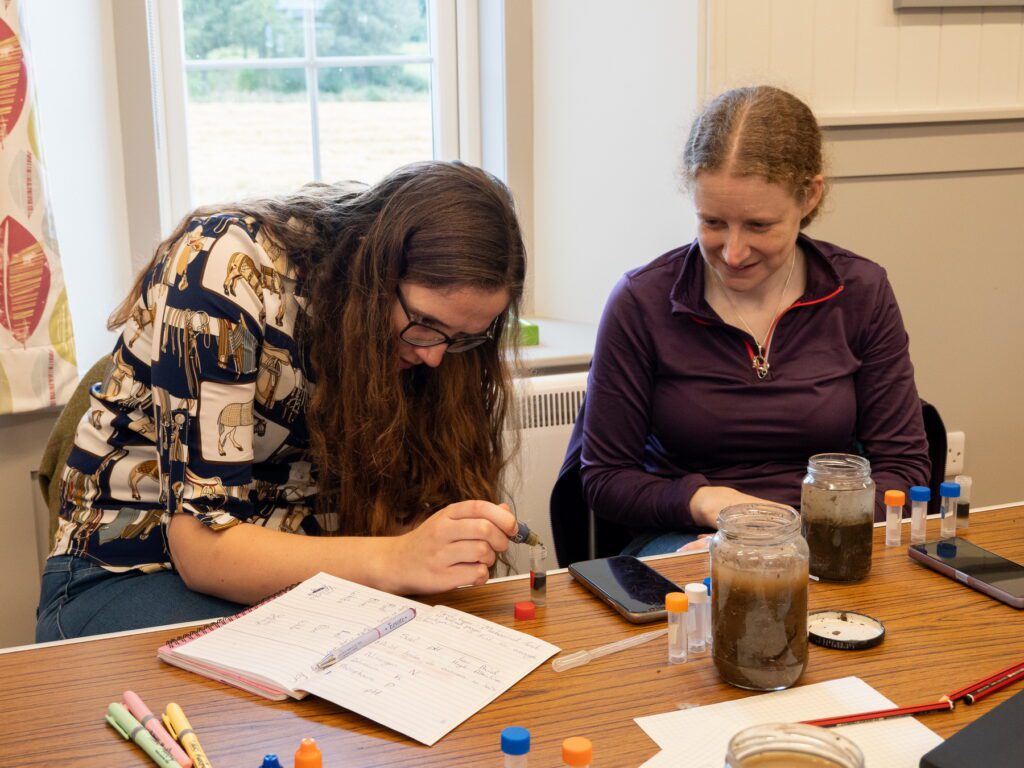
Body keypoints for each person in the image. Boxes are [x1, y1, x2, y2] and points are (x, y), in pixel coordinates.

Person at [37, 161, 527, 641]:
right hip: (127, 572)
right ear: (375, 269)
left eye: (465, 337)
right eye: (425, 323)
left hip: (299, 588)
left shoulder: (434, 344)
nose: (436, 355)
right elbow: (203, 551)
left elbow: (393, 515)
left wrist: (442, 538)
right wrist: (400, 558)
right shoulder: (228, 267)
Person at [578, 86, 929, 556]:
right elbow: (604, 479)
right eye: (713, 223)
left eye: (759, 226)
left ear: (809, 197)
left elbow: (903, 468)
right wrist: (705, 502)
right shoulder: (642, 303)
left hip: (826, 536)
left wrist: (805, 532)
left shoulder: (860, 292)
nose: (733, 252)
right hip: (688, 537)